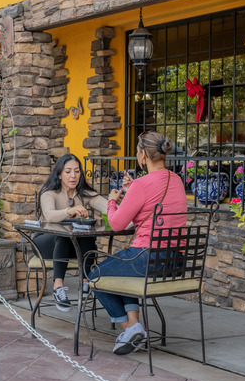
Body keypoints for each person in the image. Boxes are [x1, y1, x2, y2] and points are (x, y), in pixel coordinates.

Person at [89, 130, 187, 356]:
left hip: (147, 259)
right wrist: (134, 190)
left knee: (95, 274)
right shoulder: (177, 180)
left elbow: (115, 224)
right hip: (176, 262)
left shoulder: (141, 185)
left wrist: (113, 201)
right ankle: (135, 327)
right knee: (122, 269)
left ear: (143, 155)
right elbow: (151, 206)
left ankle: (131, 328)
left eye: (136, 153)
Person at [33, 154, 109, 312]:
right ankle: (58, 286)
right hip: (44, 243)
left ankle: (86, 281)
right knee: (64, 236)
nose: (73, 176)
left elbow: (105, 206)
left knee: (86, 234)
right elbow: (49, 215)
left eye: (76, 171)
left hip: (73, 246)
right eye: (68, 171)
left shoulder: (83, 193)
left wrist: (116, 203)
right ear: (59, 174)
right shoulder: (49, 193)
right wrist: (70, 211)